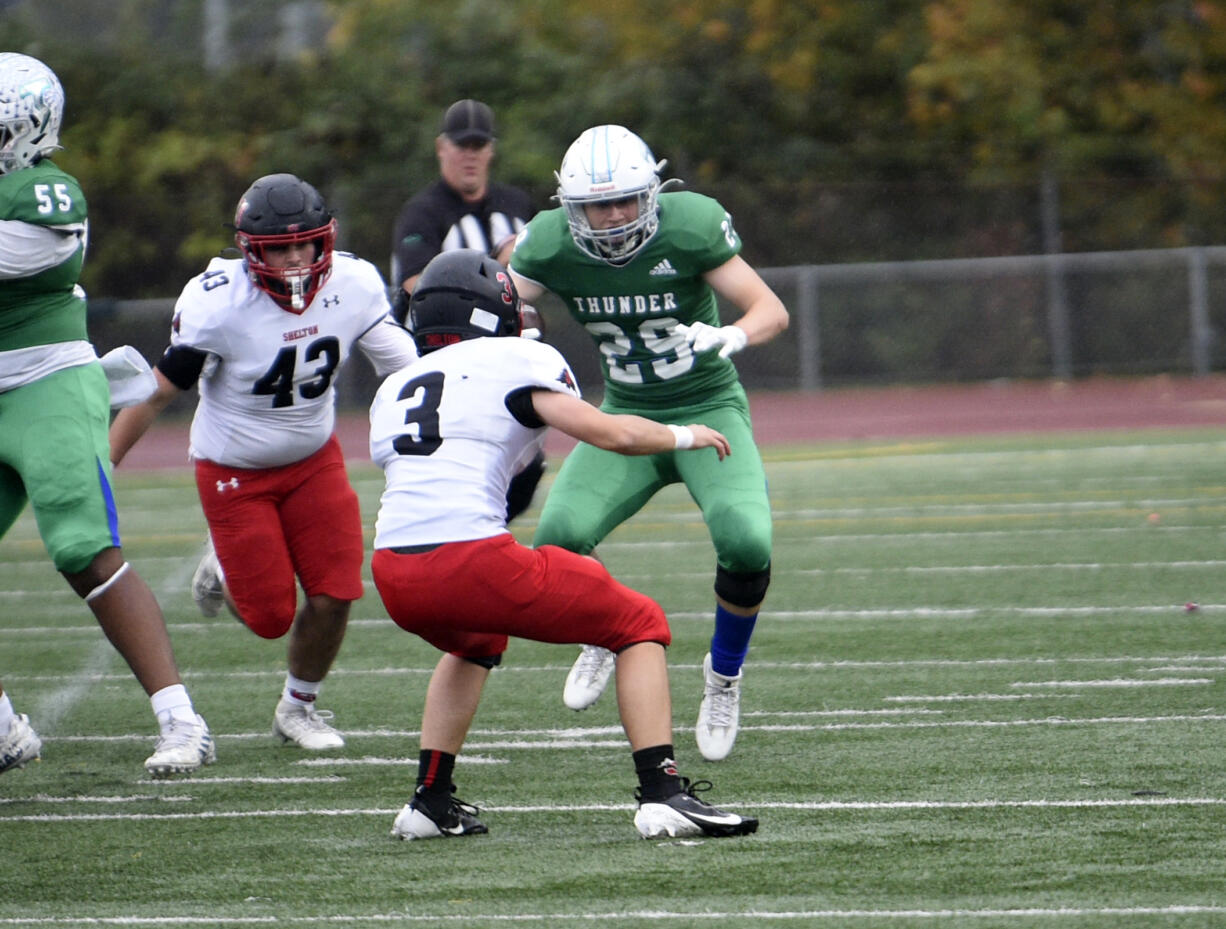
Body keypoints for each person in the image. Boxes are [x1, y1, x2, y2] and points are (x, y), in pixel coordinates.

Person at [369, 249, 758, 841]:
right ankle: (663, 793)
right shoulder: (517, 358)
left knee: (474, 642)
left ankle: (429, 801)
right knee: (640, 623)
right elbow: (613, 432)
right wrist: (685, 433)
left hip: (394, 572)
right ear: (491, 311)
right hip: (468, 559)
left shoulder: (394, 387)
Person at [110, 173, 419, 751]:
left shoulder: (352, 284)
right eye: (281, 247)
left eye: (306, 243)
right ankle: (222, 565)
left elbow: (405, 368)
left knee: (335, 592)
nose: (297, 258)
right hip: (233, 471)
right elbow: (156, 392)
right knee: (270, 616)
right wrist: (100, 468)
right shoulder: (219, 304)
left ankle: (297, 709)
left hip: (314, 458)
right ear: (252, 250)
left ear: (324, 239)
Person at [509, 124, 789, 762]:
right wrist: (515, 332)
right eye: (594, 206)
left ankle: (723, 676)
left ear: (654, 194)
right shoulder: (548, 240)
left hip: (708, 409)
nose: (610, 217)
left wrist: (734, 337)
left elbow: (769, 309)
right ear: (567, 208)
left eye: (624, 201)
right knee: (557, 540)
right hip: (625, 415)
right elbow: (500, 302)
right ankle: (609, 633)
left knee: (746, 540)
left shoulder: (689, 226)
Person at [0, 52, 213, 778]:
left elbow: (24, 260)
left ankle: (181, 717)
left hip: (44, 382)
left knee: (81, 547)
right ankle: (2, 725)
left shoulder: (46, 191)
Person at [389, 99, 535, 297]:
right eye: (462, 145)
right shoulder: (421, 214)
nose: (470, 155)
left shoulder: (518, 204)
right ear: (441, 147)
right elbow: (415, 286)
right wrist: (496, 269)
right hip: (447, 325)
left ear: (491, 149)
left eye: (479, 145)